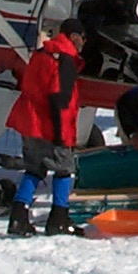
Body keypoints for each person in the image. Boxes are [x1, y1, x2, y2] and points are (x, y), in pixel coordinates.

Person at [6, 18, 87, 237]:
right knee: (64, 169)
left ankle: (18, 216)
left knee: (35, 168)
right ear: (73, 37)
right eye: (82, 37)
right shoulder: (66, 59)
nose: (84, 43)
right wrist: (61, 134)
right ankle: (59, 218)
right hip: (49, 124)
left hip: (29, 121)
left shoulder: (42, 53)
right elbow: (60, 99)